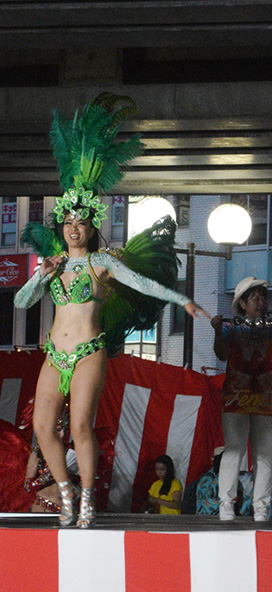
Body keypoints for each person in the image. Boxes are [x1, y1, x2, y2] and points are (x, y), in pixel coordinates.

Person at [13, 95, 207, 529]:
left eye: (81, 222)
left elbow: (143, 283)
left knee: (80, 426)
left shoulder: (102, 263)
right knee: (43, 428)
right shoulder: (54, 264)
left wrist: (182, 300)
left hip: (88, 352)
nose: (73, 228)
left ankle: (86, 499)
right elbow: (21, 303)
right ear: (62, 226)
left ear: (91, 226)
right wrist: (39, 276)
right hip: (54, 356)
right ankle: (66, 493)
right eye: (68, 222)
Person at [211, 276, 272, 522]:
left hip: (267, 398)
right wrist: (217, 331)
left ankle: (261, 506)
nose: (261, 302)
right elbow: (221, 353)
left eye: (263, 297)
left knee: (264, 454)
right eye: (255, 298)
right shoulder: (232, 328)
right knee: (234, 449)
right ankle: (226, 503)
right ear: (242, 304)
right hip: (237, 397)